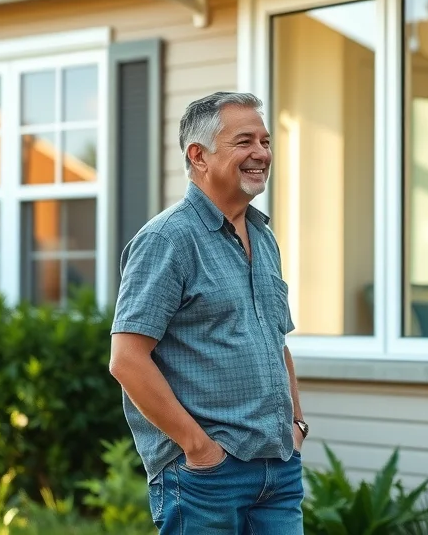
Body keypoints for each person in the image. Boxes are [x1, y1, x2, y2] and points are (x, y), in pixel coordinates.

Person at [108, 91, 308, 534]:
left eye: (266, 141)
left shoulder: (263, 236)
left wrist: (296, 425)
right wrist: (198, 448)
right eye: (245, 142)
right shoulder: (167, 240)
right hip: (207, 478)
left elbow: (276, 340)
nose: (262, 153)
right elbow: (126, 359)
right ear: (198, 156)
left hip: (278, 469)